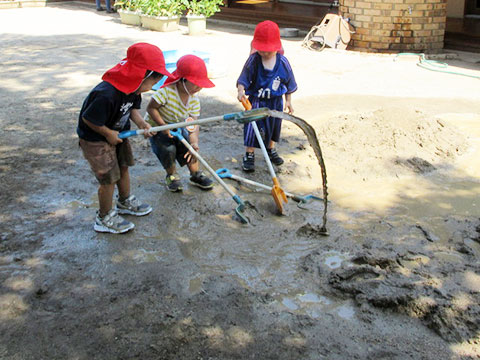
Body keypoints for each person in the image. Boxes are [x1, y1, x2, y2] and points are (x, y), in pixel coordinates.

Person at [77, 42, 171, 234]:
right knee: (108, 177)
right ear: (142, 75)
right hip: (96, 138)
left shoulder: (134, 89)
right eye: (152, 83)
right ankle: (104, 217)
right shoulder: (106, 94)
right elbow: (89, 118)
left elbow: (133, 109)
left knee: (123, 166)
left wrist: (142, 124)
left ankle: (125, 201)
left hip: (119, 134)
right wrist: (108, 134)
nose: (151, 88)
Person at [146, 54, 215, 192]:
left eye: (201, 84)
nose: (199, 87)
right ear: (182, 80)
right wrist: (164, 126)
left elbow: (193, 123)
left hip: (178, 125)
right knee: (168, 150)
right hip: (159, 126)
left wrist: (194, 142)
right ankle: (172, 175)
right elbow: (151, 108)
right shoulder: (165, 92)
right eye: (195, 83)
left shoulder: (194, 100)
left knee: (189, 147)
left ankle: (195, 174)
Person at [237, 20, 297, 172]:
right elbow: (243, 77)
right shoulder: (254, 60)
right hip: (256, 101)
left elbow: (289, 82)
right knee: (252, 127)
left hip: (275, 102)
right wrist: (240, 90)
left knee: (274, 127)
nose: (264, 53)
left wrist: (288, 101)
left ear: (277, 47)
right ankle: (249, 154)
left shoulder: (283, 63)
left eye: (268, 51)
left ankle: (271, 149)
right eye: (261, 50)